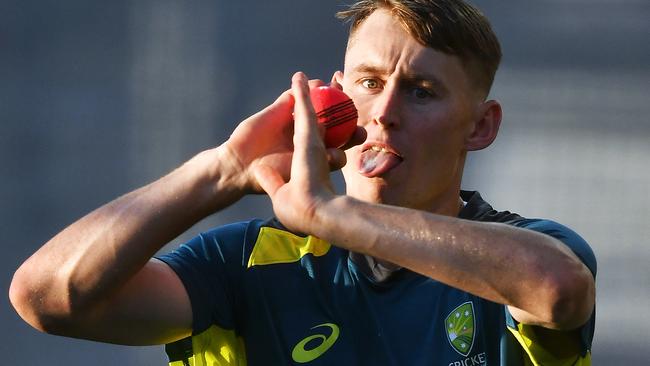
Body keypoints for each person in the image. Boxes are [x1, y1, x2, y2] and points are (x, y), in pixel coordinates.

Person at [10, 0, 596, 365]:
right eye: (368, 83)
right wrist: (219, 169)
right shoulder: (244, 263)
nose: (384, 113)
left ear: (481, 126)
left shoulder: (526, 248)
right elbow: (49, 298)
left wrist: (331, 216)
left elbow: (558, 290)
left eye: (422, 92)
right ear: (336, 97)